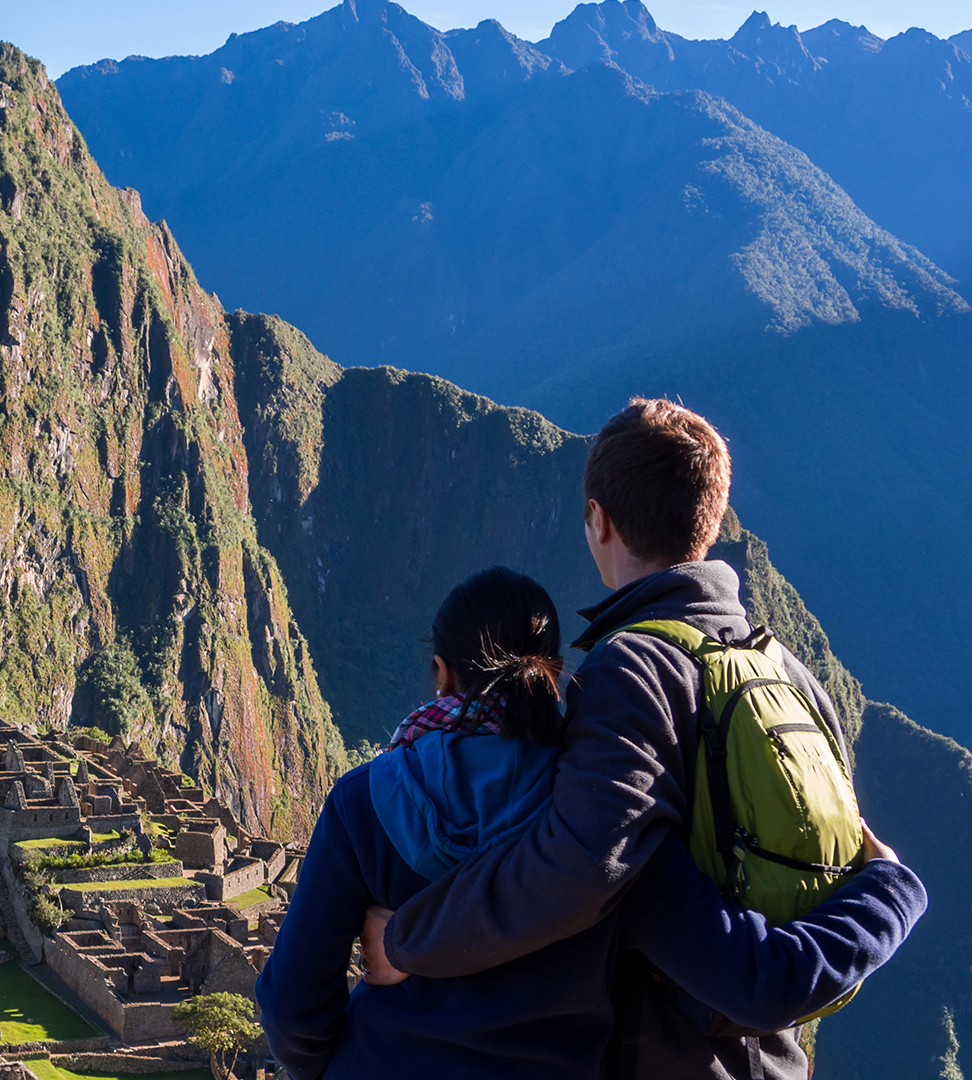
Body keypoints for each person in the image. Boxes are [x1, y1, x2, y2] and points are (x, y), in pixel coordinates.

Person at [368, 399, 917, 1078]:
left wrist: (405, 938)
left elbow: (573, 868)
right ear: (710, 521)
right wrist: (892, 885)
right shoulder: (786, 671)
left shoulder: (635, 671)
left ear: (598, 519)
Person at [257, 565, 925, 1079]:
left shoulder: (361, 804)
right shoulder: (605, 819)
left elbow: (292, 1007)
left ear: (441, 674)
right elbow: (758, 978)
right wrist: (891, 886)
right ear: (555, 673)